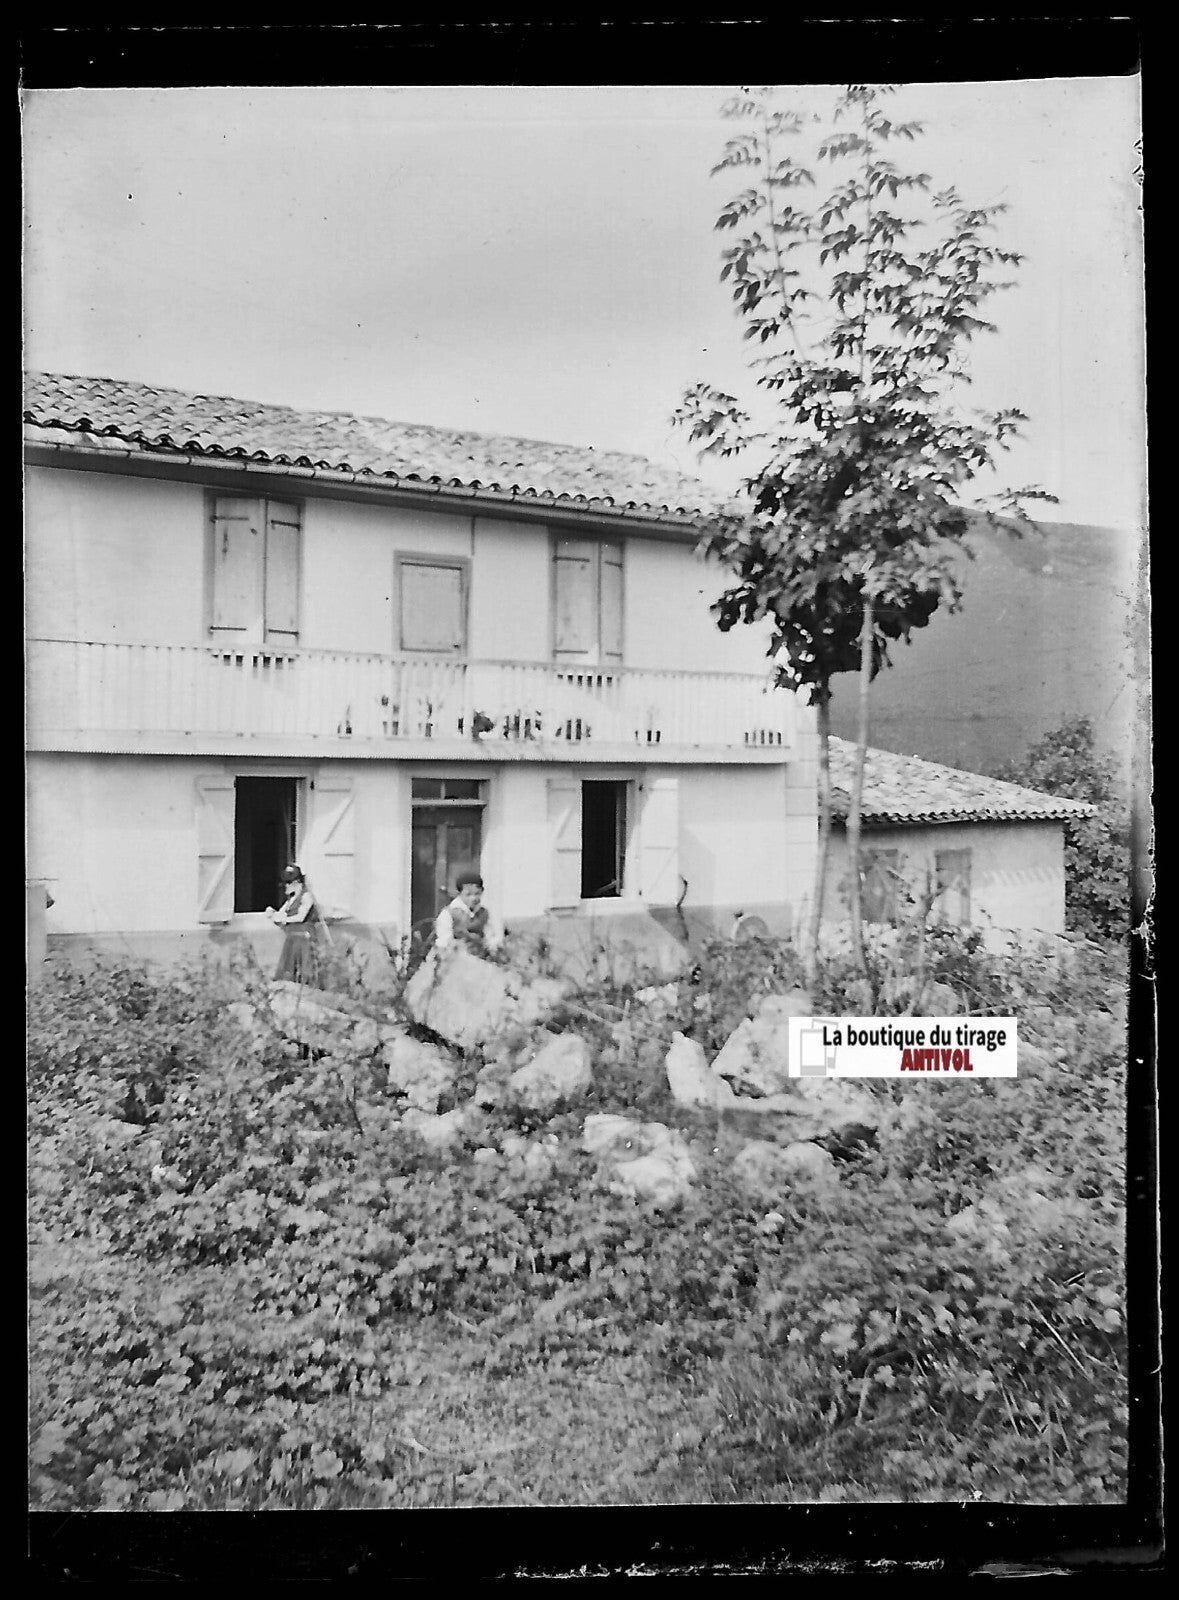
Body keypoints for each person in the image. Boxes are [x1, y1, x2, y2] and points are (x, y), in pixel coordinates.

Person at [267, 864, 322, 983]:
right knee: (289, 968)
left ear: (297, 882)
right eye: (285, 883)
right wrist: (273, 913)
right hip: (293, 937)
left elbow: (301, 917)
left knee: (305, 969)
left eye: (288, 882)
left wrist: (284, 919)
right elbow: (281, 913)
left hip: (304, 937)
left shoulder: (306, 896)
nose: (286, 886)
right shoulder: (290, 899)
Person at [433, 872, 503, 959]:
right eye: (468, 894)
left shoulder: (484, 913)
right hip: (456, 958)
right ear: (459, 893)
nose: (473, 898)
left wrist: (491, 945)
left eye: (477, 894)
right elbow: (444, 942)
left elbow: (491, 936)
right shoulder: (448, 913)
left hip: (481, 958)